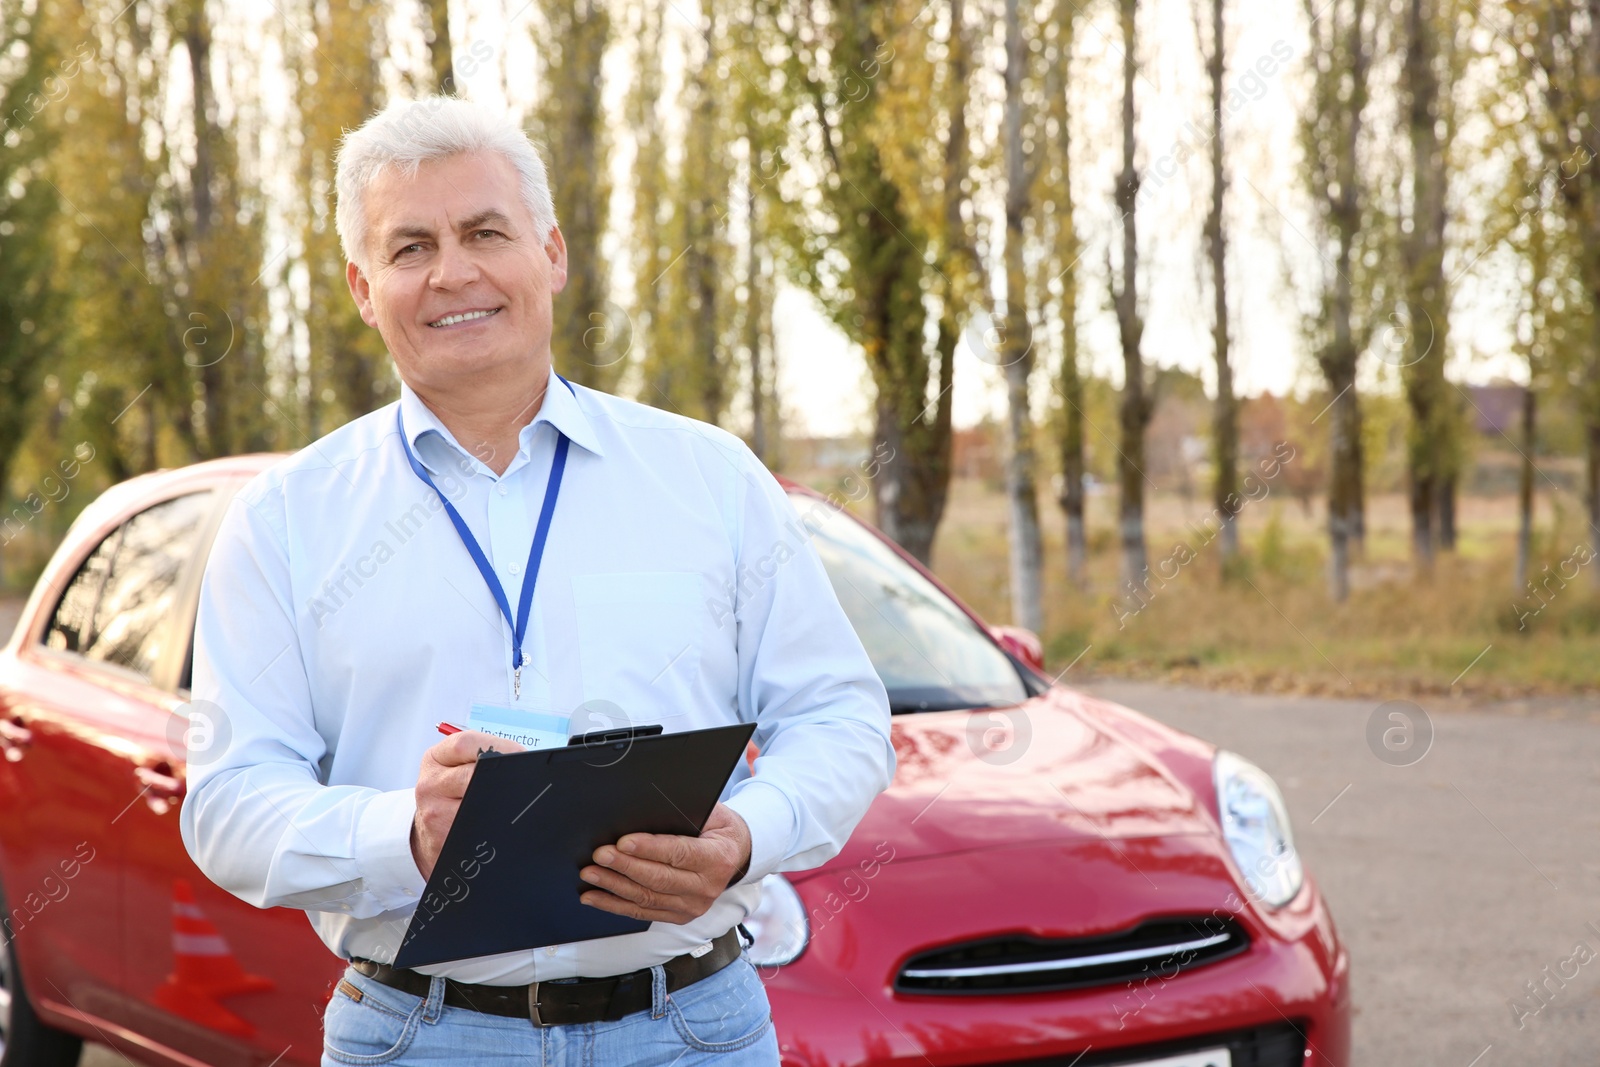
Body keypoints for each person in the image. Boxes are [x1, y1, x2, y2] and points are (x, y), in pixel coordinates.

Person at [179, 95, 895, 1066]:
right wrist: (405, 834)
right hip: (419, 1035)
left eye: (484, 232)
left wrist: (743, 837)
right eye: (409, 247)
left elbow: (842, 717)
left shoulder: (710, 477)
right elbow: (225, 803)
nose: (453, 272)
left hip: (692, 1029)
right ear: (360, 286)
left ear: (551, 254)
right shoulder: (282, 520)